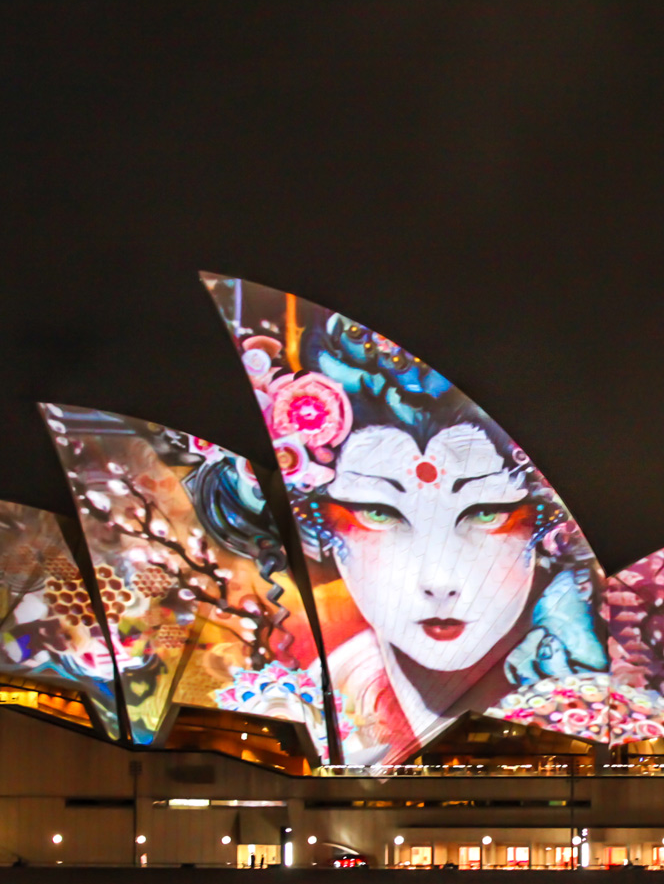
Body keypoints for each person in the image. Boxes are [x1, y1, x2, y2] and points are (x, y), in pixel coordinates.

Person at [212, 278, 607, 765]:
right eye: (380, 512)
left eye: (485, 513)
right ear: (322, 527)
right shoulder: (316, 696)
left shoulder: (614, 690)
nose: (438, 581)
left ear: (545, 527)